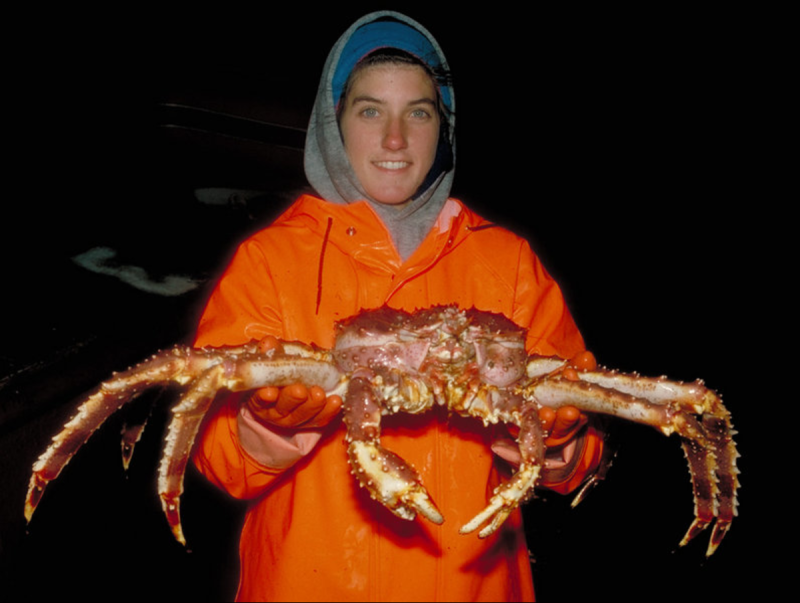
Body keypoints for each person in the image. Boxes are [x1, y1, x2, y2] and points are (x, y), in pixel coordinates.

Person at [192, 11, 606, 602]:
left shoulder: (508, 262)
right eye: (370, 111)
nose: (395, 139)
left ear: (444, 126)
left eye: (419, 112)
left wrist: (564, 446)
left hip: (477, 586)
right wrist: (263, 433)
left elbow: (581, 453)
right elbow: (213, 452)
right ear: (333, 124)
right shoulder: (270, 259)